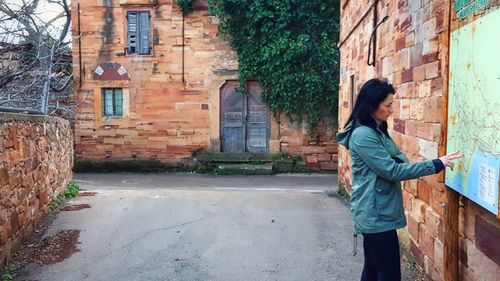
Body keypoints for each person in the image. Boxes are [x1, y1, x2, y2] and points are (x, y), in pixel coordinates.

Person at [336, 78, 462, 281]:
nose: (392, 110)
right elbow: (393, 170)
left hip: (378, 210)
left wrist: (394, 164)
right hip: (375, 213)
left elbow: (400, 159)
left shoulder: (378, 129)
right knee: (389, 273)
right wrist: (437, 163)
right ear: (371, 106)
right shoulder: (363, 135)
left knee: (373, 269)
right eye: (388, 105)